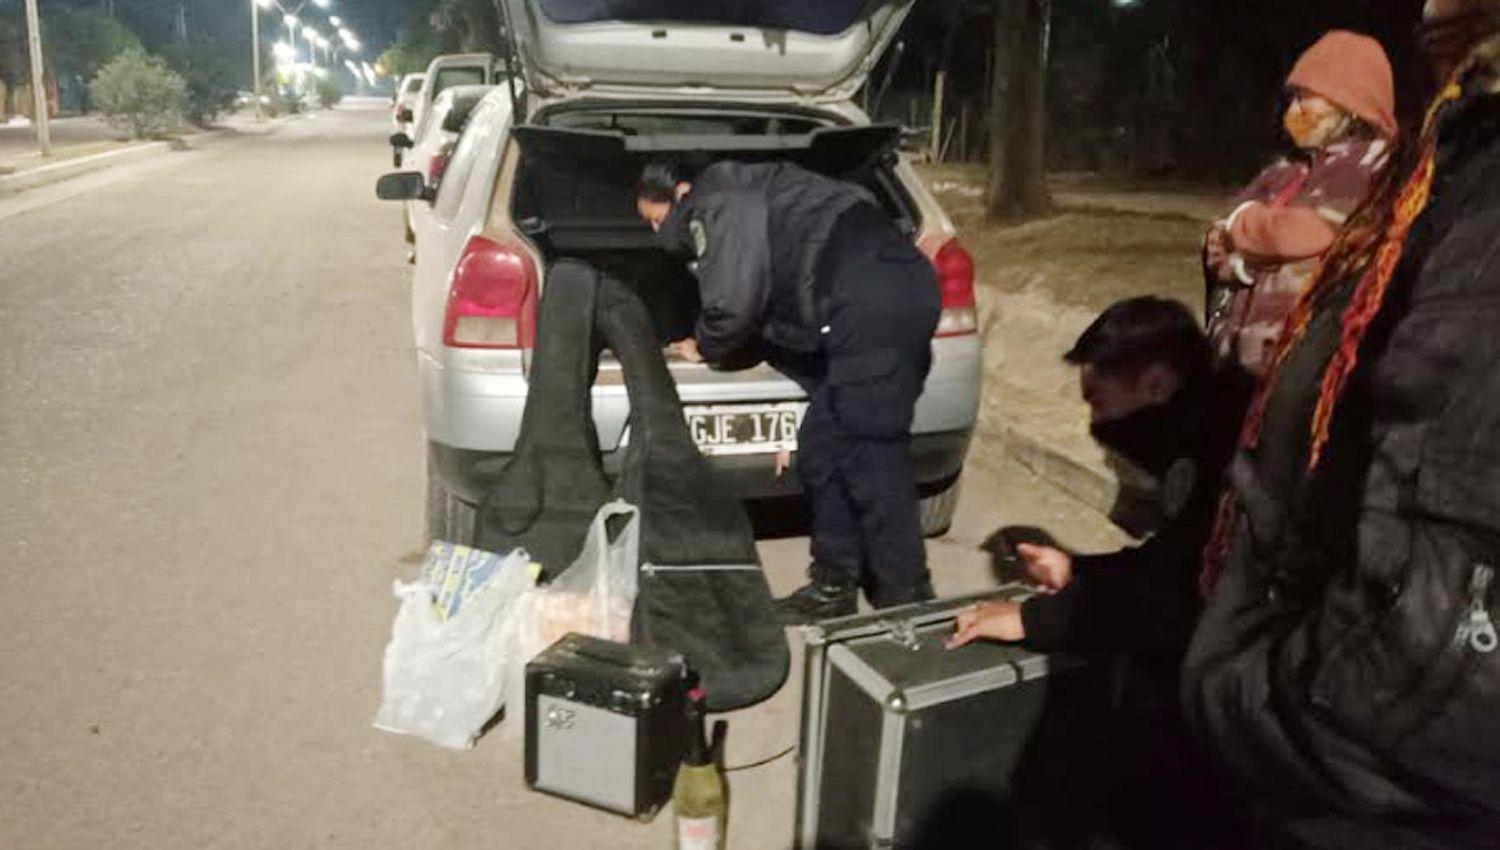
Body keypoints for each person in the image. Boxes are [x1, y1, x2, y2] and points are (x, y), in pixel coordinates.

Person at [1184, 3, 1500, 846]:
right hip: (1272, 499)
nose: (1431, 10)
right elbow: (1233, 237)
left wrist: (1245, 685)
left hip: (1354, 737)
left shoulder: (1392, 172)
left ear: (1349, 104)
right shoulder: (1434, 167)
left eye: (1307, 96)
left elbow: (1439, 624)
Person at [633, 157, 942, 623]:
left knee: (872, 454)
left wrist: (704, 343)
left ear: (679, 193)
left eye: (657, 222)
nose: (660, 237)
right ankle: (834, 584)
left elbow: (734, 305)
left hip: (874, 293)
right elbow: (778, 297)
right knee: (822, 448)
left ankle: (909, 602)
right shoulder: (747, 194)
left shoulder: (717, 198)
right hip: (876, 291)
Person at [946, 297, 1246, 664]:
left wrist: (1031, 621)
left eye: (1098, 403)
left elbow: (1177, 592)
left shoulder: (1220, 454)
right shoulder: (1206, 429)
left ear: (1157, 383)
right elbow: (1172, 555)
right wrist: (1079, 569)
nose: (1094, 425)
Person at [1204, 30, 1396, 378]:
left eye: (1305, 98)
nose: (1293, 110)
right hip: (1238, 364)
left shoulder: (1371, 166)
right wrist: (1235, 248)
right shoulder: (1286, 169)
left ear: (1348, 103)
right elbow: (1219, 236)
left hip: (1305, 372)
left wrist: (1243, 231)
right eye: (1291, 99)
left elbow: (1306, 233)